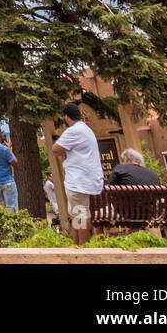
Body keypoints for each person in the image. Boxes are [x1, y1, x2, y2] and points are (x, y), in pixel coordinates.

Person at [51, 102, 104, 244]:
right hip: (86, 179)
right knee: (76, 214)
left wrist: (63, 154)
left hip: (78, 180)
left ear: (66, 117)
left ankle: (83, 248)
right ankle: (77, 245)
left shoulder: (73, 131)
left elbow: (55, 149)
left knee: (81, 213)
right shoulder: (86, 129)